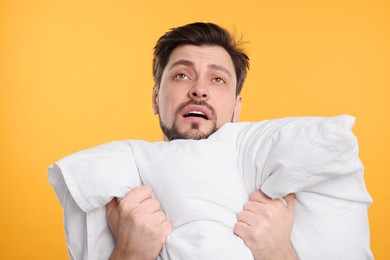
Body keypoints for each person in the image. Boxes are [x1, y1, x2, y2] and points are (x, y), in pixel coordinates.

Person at [106, 22, 296, 260]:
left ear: (237, 108)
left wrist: (278, 253)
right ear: (155, 98)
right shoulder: (120, 207)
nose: (199, 90)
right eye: (182, 75)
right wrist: (129, 253)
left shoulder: (277, 209)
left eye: (217, 79)